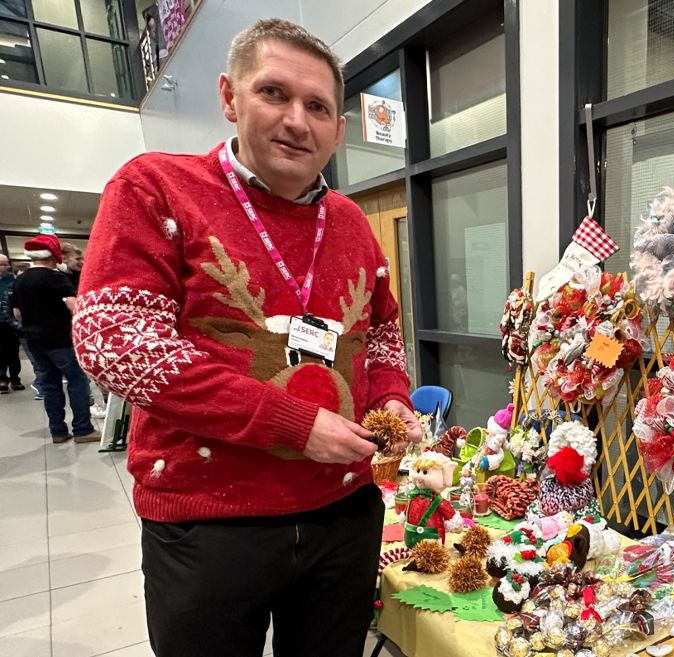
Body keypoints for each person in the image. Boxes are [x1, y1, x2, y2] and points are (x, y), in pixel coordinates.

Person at [73, 19, 423, 657]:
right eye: (274, 94)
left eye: (318, 106)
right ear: (230, 98)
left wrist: (391, 397)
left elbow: (379, 335)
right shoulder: (157, 187)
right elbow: (115, 341)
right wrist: (290, 423)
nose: (298, 121)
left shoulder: (348, 222)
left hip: (343, 512)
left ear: (339, 129)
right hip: (211, 521)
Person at [11, 235, 96, 442]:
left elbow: (17, 314)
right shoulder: (55, 278)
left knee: (50, 386)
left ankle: (58, 431)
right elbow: (73, 305)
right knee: (77, 382)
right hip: (60, 340)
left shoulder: (20, 280)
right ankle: (83, 429)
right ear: (53, 255)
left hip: (34, 341)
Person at [0, 254, 26, 393]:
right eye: (0, 264)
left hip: (10, 321)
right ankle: (2, 378)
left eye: (5, 264)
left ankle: (15, 378)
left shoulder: (12, 281)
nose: (2, 267)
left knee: (13, 352)